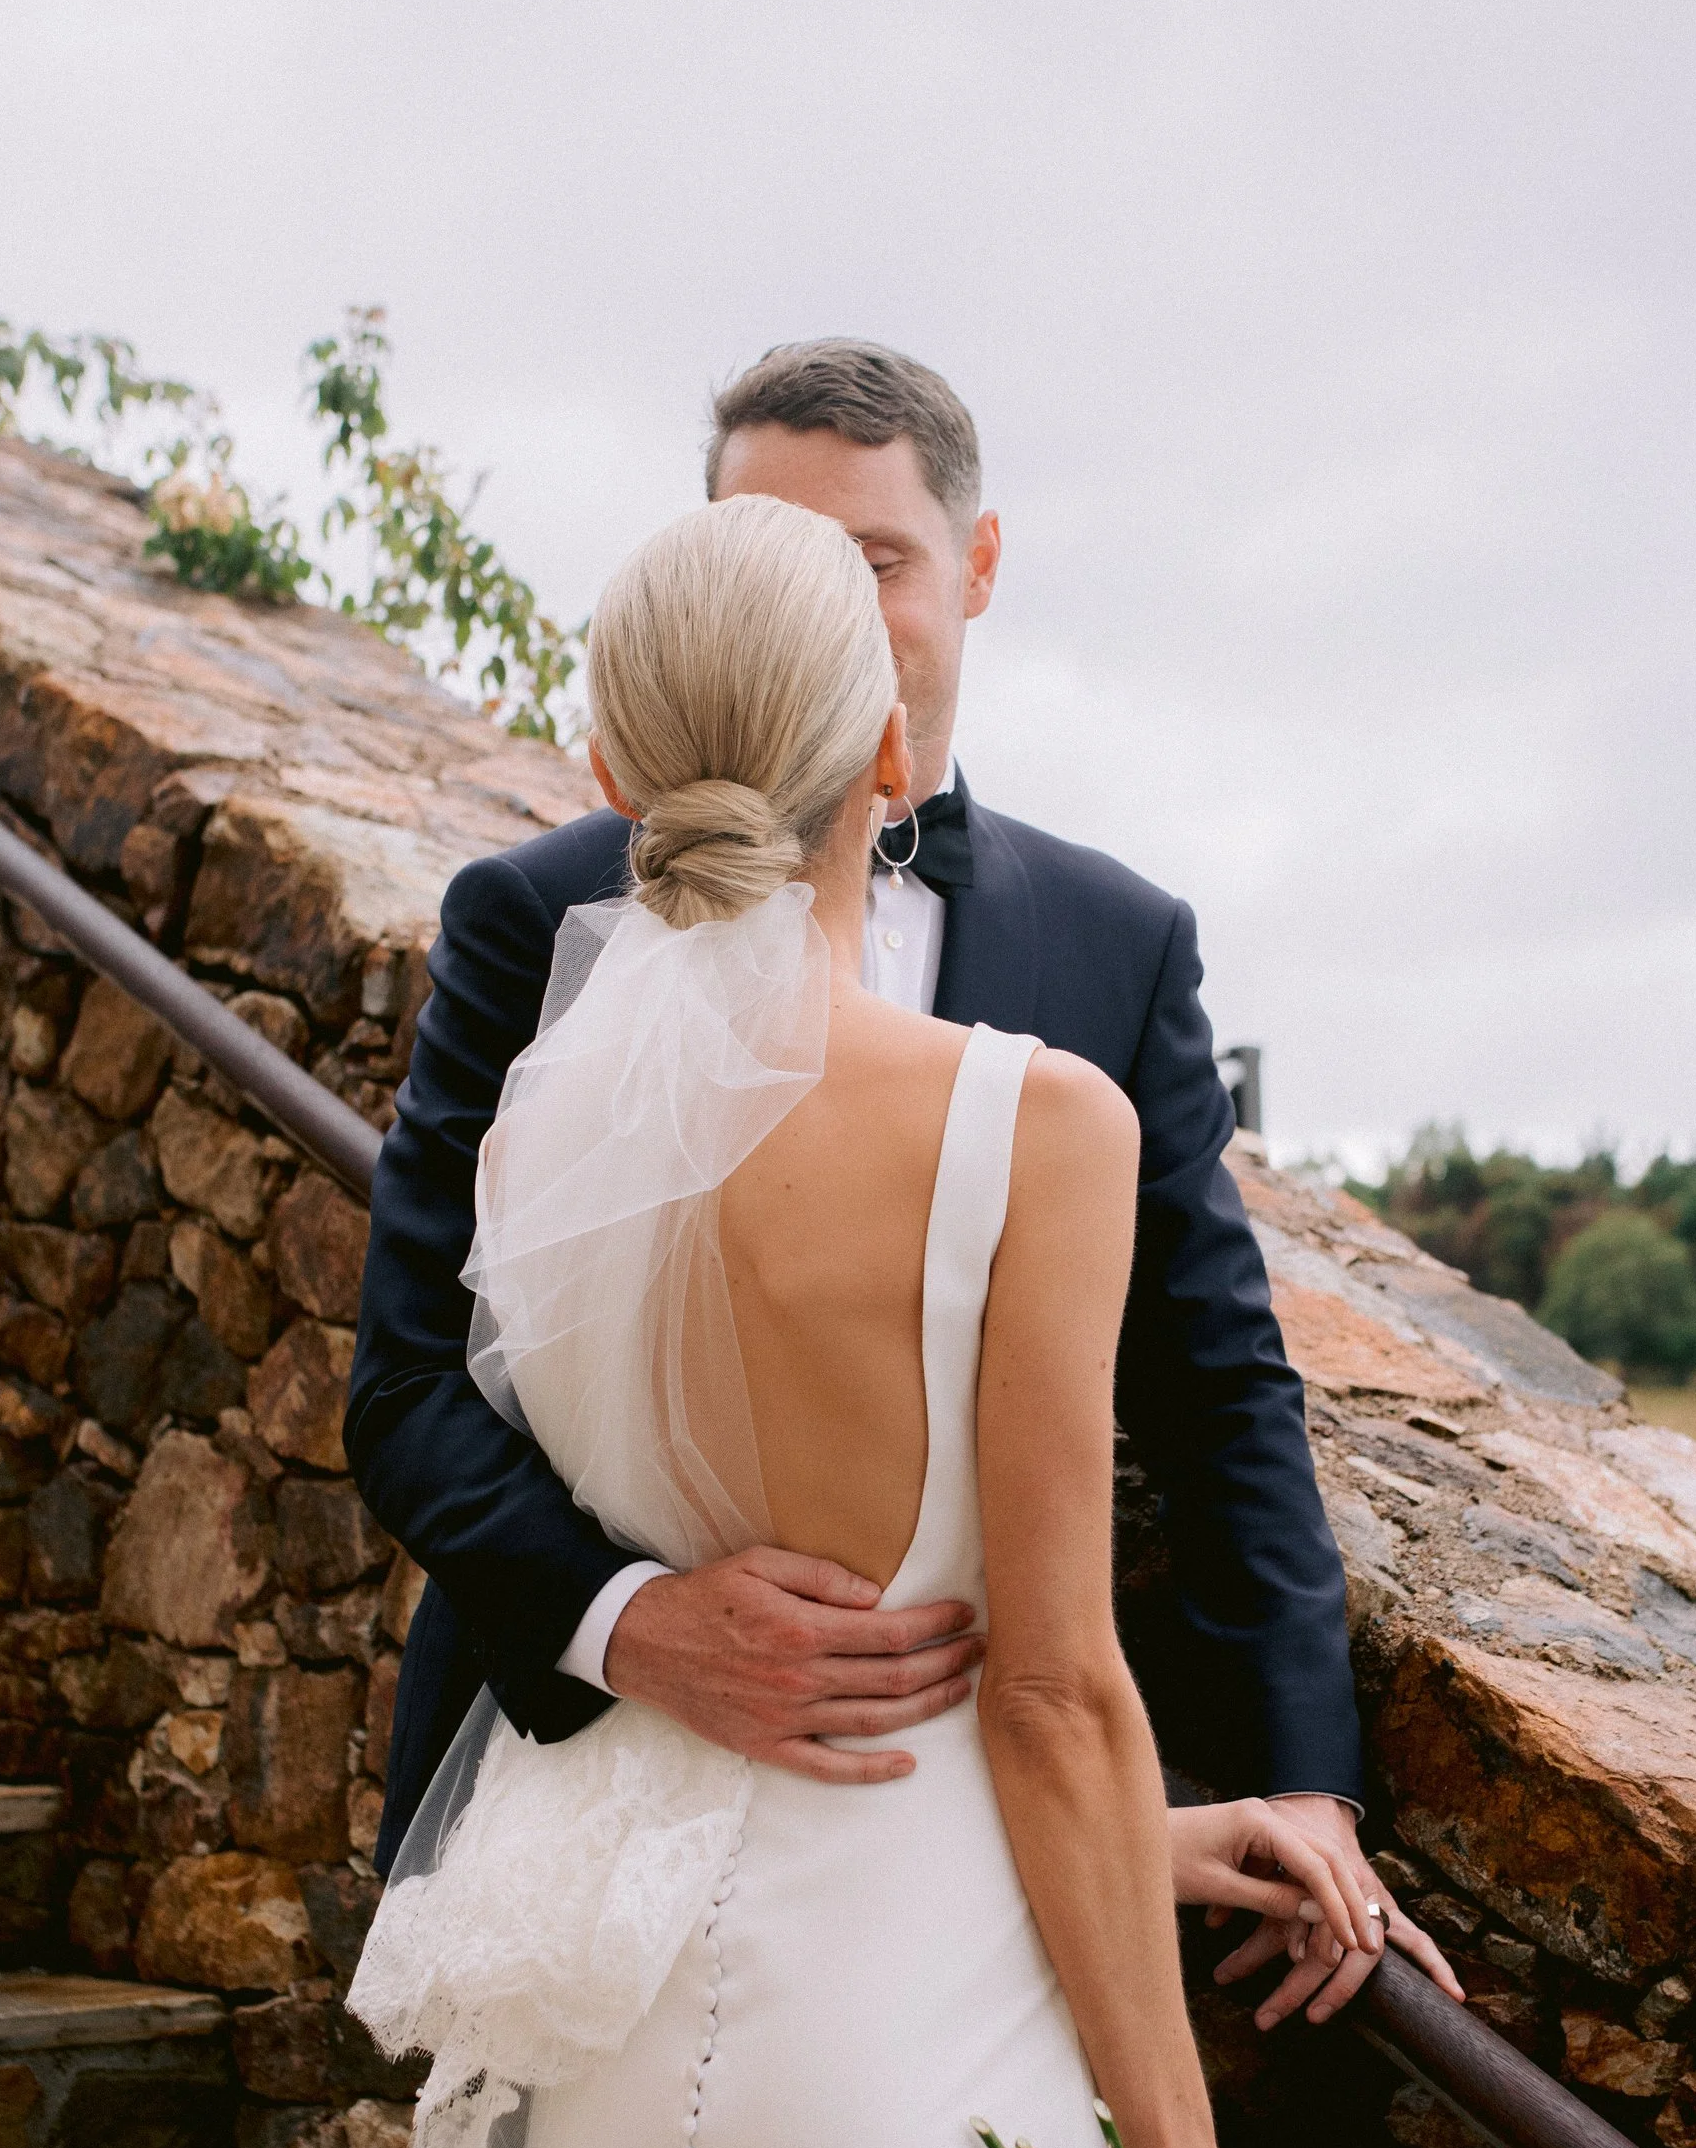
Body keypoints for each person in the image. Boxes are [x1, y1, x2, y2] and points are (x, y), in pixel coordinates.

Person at [143, 496, 1326, 2148]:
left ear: (604, 760)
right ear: (888, 755)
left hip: (623, 2064)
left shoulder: (564, 1121)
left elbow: (763, 1646)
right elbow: (1040, 1698)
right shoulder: (1025, 1121)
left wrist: (1128, 1842)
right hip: (917, 2104)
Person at [349, 339, 1459, 2028]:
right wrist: (631, 1623)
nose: (823, 608)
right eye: (771, 555)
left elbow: (1218, 1379)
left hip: (949, 1855)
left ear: (979, 568)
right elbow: (407, 1380)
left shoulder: (1117, 947)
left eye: (872, 561)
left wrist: (1307, 1775)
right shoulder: (532, 919)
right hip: (581, 1801)